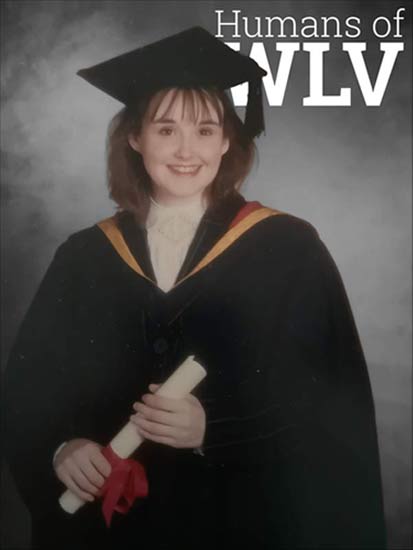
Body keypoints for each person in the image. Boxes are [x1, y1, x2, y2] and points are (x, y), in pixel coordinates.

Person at [3, 27, 386, 549]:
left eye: (206, 130)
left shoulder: (286, 249)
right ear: (134, 138)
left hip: (238, 526)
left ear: (228, 139)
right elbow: (30, 388)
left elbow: (328, 408)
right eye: (166, 130)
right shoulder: (85, 255)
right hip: (114, 535)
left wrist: (213, 429)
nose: (187, 151)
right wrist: (60, 448)